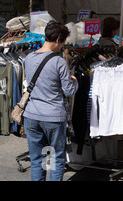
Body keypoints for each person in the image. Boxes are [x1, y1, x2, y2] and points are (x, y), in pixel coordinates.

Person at [23, 21, 79, 181]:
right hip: (53, 117)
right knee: (55, 160)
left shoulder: (29, 58)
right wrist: (73, 80)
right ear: (58, 39)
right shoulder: (59, 62)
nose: (62, 47)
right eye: (63, 43)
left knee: (37, 160)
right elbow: (69, 91)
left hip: (31, 116)